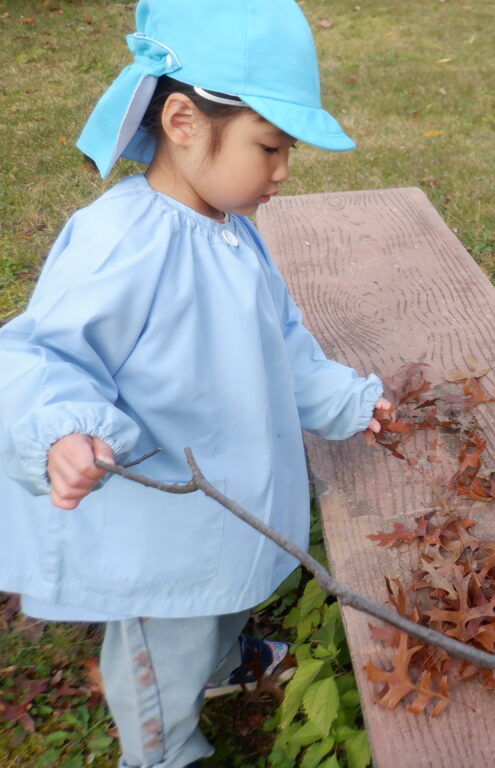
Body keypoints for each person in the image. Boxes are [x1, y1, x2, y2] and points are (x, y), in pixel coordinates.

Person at [0, 2, 388, 766]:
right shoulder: (123, 241)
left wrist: (349, 400)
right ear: (182, 121)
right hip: (157, 530)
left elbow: (282, 343)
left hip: (227, 492)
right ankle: (161, 748)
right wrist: (65, 430)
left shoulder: (231, 229)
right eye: (269, 146)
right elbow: (39, 354)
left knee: (225, 596)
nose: (283, 170)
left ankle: (220, 663)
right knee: (166, 645)